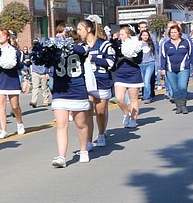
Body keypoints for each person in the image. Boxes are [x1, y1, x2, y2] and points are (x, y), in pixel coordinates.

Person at [46, 27, 91, 167]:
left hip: (77, 89)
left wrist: (68, 45)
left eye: (63, 35)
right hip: (60, 91)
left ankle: (84, 150)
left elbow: (83, 51)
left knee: (81, 124)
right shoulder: (54, 49)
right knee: (61, 125)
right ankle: (61, 157)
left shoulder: (81, 47)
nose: (59, 37)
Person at [83, 19, 116, 149]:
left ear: (89, 30)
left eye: (80, 29)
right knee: (87, 112)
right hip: (85, 82)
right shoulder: (80, 46)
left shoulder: (104, 45)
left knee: (100, 112)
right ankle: (89, 141)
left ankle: (101, 133)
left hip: (101, 81)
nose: (78, 32)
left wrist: (94, 59)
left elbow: (111, 63)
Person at [0, 28, 26, 139]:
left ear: (8, 37)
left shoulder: (14, 50)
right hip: (0, 79)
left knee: (15, 106)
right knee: (1, 104)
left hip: (12, 79)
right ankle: (3, 129)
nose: (0, 37)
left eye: (3, 35)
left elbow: (20, 65)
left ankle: (20, 123)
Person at [112, 25, 144, 129]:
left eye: (122, 34)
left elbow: (139, 60)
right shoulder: (117, 44)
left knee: (133, 99)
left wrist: (130, 56)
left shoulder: (137, 45)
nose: (119, 36)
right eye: (119, 34)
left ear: (128, 35)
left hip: (133, 73)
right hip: (121, 74)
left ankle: (133, 120)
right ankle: (126, 113)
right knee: (119, 98)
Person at [159, 20, 193, 115]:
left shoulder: (186, 42)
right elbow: (163, 57)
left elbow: (192, 54)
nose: (173, 34)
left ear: (179, 33)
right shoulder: (166, 44)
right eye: (171, 33)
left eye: (175, 32)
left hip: (184, 68)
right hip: (170, 70)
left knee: (182, 86)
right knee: (174, 88)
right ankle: (178, 106)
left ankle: (183, 105)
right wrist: (162, 69)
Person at [29, 38, 52, 108]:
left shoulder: (45, 53)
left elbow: (48, 63)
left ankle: (46, 101)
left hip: (44, 72)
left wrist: (48, 72)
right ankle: (34, 101)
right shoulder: (32, 52)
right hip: (35, 72)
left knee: (44, 88)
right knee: (35, 87)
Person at [138, 27, 159, 102]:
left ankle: (147, 97)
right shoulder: (138, 44)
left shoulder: (151, 43)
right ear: (141, 36)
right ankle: (145, 94)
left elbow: (155, 54)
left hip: (150, 63)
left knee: (147, 80)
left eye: (146, 35)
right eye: (143, 35)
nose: (145, 37)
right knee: (143, 81)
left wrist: (157, 65)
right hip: (141, 64)